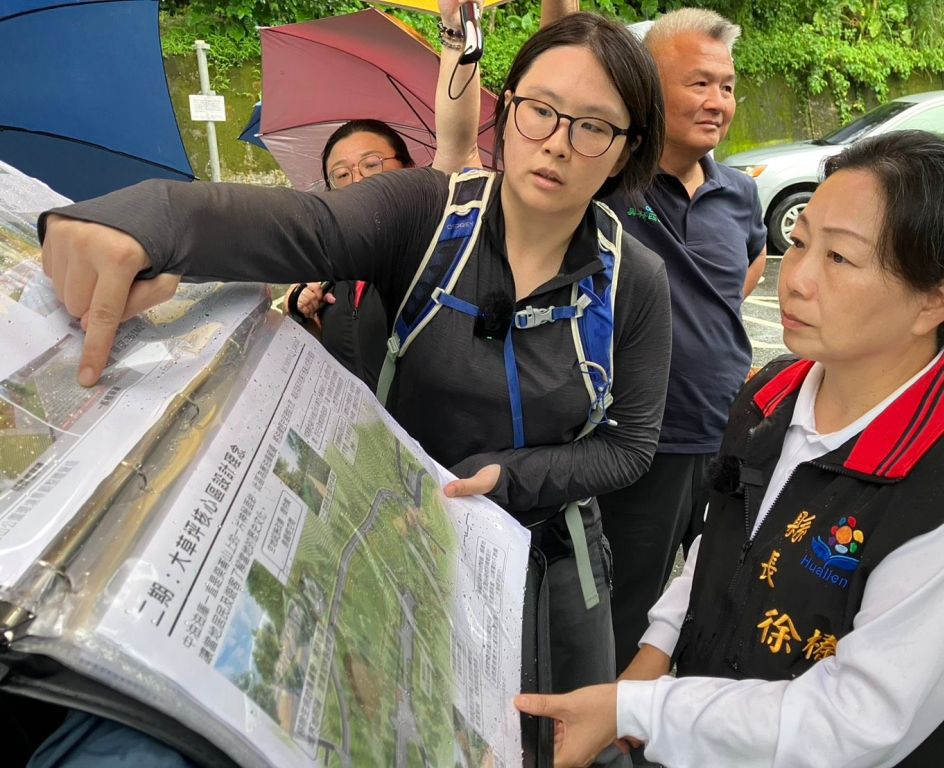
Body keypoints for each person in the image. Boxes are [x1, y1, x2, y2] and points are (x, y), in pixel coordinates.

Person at [35, 12, 670, 764]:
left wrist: (509, 478)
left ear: (627, 149)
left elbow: (630, 446)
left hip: (552, 563)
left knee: (553, 746)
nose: (558, 142)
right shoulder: (429, 215)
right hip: (402, 537)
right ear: (507, 111)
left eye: (594, 126)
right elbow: (302, 226)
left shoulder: (635, 283)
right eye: (541, 109)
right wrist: (144, 218)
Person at [514, 131, 944, 767]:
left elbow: (850, 725)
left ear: (935, 301)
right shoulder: (772, 394)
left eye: (839, 258)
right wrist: (651, 658)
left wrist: (641, 710)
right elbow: (722, 544)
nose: (797, 280)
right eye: (801, 243)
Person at [434, 1, 768, 676]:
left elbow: (749, 271)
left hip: (727, 438)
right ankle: (596, 713)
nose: (717, 101)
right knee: (620, 610)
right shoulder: (606, 184)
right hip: (636, 447)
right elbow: (565, 73)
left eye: (727, 86)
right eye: (699, 83)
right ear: (645, 96)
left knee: (715, 600)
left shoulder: (739, 191)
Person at [283, 119, 414, 390]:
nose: (358, 181)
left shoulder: (438, 257)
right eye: (342, 175)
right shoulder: (333, 271)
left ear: (408, 168)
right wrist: (303, 311)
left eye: (372, 164)